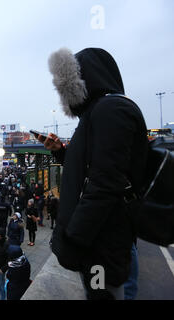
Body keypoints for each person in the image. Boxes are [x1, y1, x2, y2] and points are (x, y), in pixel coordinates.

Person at [45, 47, 149, 300]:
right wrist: (61, 152)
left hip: (102, 243)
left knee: (104, 295)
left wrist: (74, 238)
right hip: (100, 239)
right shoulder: (97, 114)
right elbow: (91, 168)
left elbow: (105, 183)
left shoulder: (110, 110)